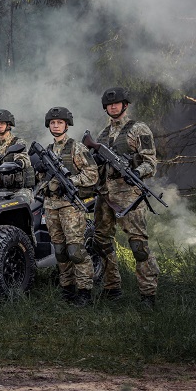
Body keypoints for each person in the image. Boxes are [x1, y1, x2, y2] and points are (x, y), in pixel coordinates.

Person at [93, 87, 159, 306]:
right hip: (105, 196)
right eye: (109, 104)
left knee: (138, 246)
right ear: (106, 108)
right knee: (102, 242)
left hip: (130, 195)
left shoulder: (139, 129)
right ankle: (112, 288)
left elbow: (151, 163)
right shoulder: (102, 134)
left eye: (117, 103)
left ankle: (148, 294)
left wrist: (137, 173)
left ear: (125, 105)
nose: (113, 107)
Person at [40, 107, 98, 306]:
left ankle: (84, 292)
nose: (56, 125)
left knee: (75, 250)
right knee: (60, 250)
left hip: (70, 206)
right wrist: (44, 179)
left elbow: (92, 174)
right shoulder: (47, 150)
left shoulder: (76, 147)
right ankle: (67, 289)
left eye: (60, 122)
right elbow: (40, 179)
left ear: (66, 125)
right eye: (53, 123)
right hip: (51, 206)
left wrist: (70, 181)